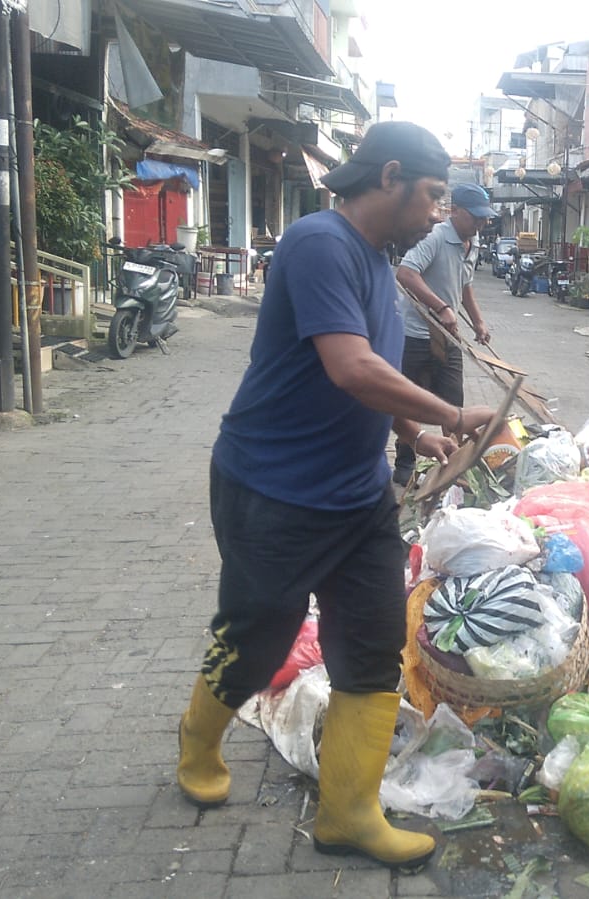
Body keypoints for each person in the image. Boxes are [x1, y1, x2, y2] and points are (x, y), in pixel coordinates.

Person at [173, 120, 493, 869]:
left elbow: (369, 377)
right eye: (430, 196)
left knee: (373, 646)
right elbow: (349, 366)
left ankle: (349, 812)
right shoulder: (318, 243)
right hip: (273, 490)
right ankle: (197, 741)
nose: (435, 213)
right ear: (388, 176)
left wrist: (414, 434)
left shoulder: (379, 265)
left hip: (356, 497)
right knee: (257, 639)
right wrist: (451, 412)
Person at [392, 182, 495, 486]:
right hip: (416, 335)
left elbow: (464, 286)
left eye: (484, 218)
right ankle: (405, 462)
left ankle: (455, 463)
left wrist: (478, 321)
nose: (481, 223)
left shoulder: (471, 242)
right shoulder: (435, 237)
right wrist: (440, 307)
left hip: (448, 338)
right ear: (455, 211)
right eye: (476, 217)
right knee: (409, 400)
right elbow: (406, 273)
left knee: (453, 401)